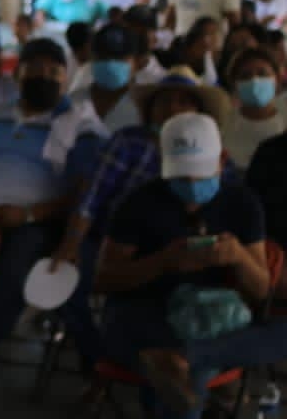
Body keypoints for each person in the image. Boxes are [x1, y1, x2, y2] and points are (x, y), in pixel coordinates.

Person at [97, 113, 286, 419]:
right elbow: (105, 279)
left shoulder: (242, 203)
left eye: (199, 177)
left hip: (216, 323)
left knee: (201, 365)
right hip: (147, 316)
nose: (190, 188)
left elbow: (263, 293)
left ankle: (178, 360)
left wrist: (238, 258)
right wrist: (162, 263)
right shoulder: (141, 203)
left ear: (221, 161)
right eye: (180, 178)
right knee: (188, 390)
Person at [51, 69, 232, 379]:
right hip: (112, 239)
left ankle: (169, 367)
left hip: (180, 244)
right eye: (165, 102)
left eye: (183, 102)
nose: (173, 108)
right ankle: (99, 360)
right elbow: (90, 200)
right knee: (66, 284)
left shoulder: (210, 151)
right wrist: (70, 246)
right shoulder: (129, 142)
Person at [0, 38, 75, 375]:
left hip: (35, 221)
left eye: (53, 71)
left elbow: (83, 195)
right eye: (34, 70)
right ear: (16, 74)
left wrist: (26, 214)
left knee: (6, 281)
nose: (43, 77)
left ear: (65, 78)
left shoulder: (75, 125)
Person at [220, 47, 285, 168]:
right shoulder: (223, 123)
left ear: (277, 79)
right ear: (235, 84)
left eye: (262, 73)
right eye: (245, 76)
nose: (254, 80)